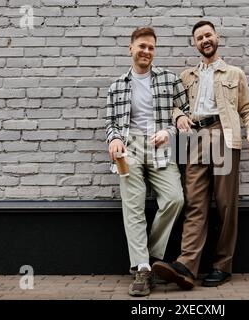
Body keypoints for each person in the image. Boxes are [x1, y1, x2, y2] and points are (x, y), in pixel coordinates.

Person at [152, 21, 249, 289]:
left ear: (217, 38)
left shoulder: (234, 74)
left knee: (226, 203)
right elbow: (172, 106)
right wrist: (179, 115)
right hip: (193, 139)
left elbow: (247, 108)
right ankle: (186, 267)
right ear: (195, 44)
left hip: (223, 135)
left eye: (208, 35)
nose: (205, 40)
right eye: (199, 37)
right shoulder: (185, 76)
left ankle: (222, 266)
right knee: (194, 202)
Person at [104, 26, 189, 296]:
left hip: (159, 146)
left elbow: (186, 115)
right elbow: (111, 123)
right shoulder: (117, 86)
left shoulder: (170, 79)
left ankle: (149, 256)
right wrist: (113, 139)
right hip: (129, 148)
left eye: (151, 47)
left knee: (175, 198)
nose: (146, 51)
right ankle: (142, 267)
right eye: (142, 46)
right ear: (131, 48)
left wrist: (170, 131)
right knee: (133, 206)